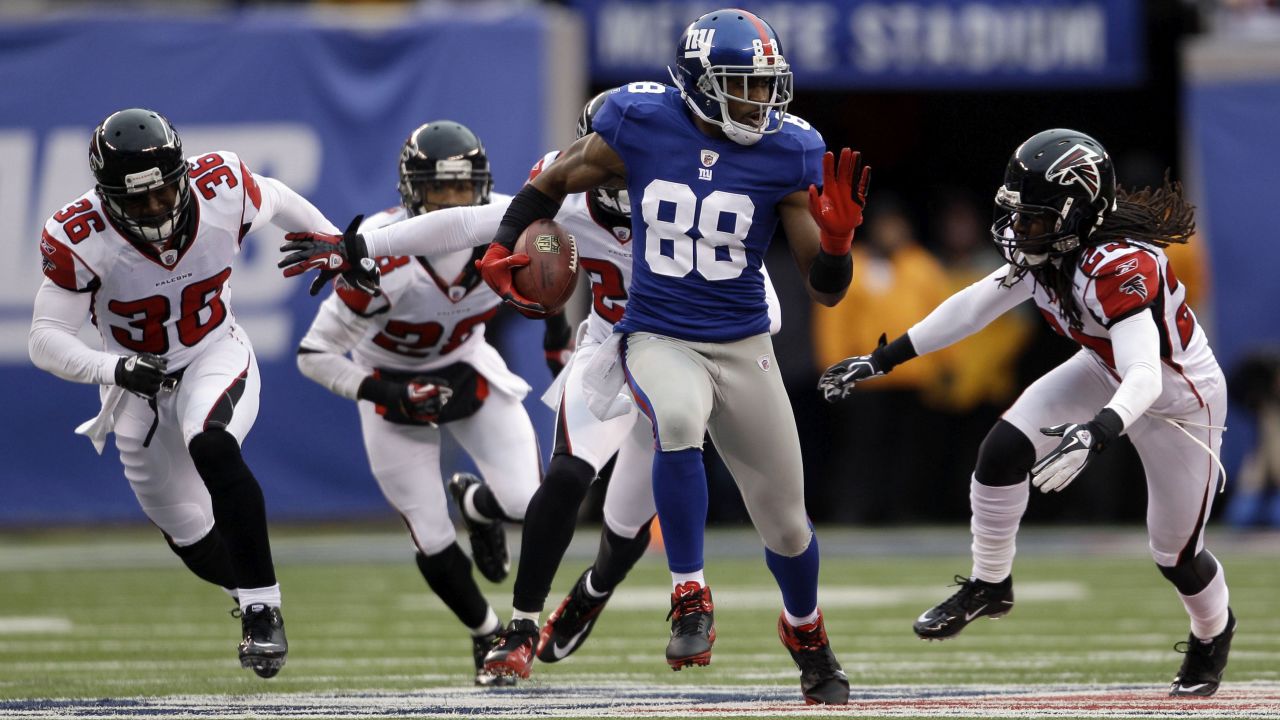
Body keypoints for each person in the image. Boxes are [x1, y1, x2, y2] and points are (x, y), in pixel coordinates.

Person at [277, 92, 785, 682]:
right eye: (605, 160)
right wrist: (357, 243)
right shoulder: (562, 203)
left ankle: (591, 593)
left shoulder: (691, 199)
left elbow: (765, 304)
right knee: (568, 476)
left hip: (684, 362)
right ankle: (518, 628)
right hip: (613, 355)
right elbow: (470, 224)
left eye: (629, 159)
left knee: (624, 528)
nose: (616, 174)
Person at [472, 9, 869, 705]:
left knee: (786, 522)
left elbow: (827, 290)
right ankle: (690, 594)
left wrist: (837, 248)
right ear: (697, 84)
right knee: (677, 422)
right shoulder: (640, 121)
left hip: (743, 344)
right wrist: (504, 242)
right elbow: (554, 180)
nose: (760, 101)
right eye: (742, 85)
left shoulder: (789, 149)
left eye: (766, 85)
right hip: (654, 333)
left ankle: (805, 630)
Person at [819, 128, 1235, 698]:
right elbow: (972, 306)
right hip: (1105, 369)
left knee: (1175, 552)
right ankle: (991, 584)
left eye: (1035, 218)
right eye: (1019, 215)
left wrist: (1100, 431)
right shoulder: (1047, 253)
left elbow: (1146, 373)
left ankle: (1213, 632)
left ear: (1077, 213)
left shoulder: (1119, 265)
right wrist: (882, 358)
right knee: (1001, 453)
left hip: (1178, 398)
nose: (1020, 231)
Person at [28, 108, 338, 678]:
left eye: (163, 192)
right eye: (136, 200)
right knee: (191, 536)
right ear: (107, 194)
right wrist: (114, 369)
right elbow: (44, 340)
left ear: (182, 174)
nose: (154, 209)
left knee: (213, 444)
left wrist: (330, 239)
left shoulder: (220, 184)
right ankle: (251, 588)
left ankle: (261, 609)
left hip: (213, 352)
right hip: (135, 386)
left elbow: (277, 196)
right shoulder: (80, 233)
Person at [292, 121, 541, 686]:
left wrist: (555, 331)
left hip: (470, 367)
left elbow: (561, 260)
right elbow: (315, 353)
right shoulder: (384, 259)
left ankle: (478, 506)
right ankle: (485, 633)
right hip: (391, 383)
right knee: (430, 534)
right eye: (439, 190)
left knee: (533, 503)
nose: (452, 204)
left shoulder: (511, 223)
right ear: (411, 191)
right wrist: (388, 392)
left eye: (462, 189)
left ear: (483, 187)